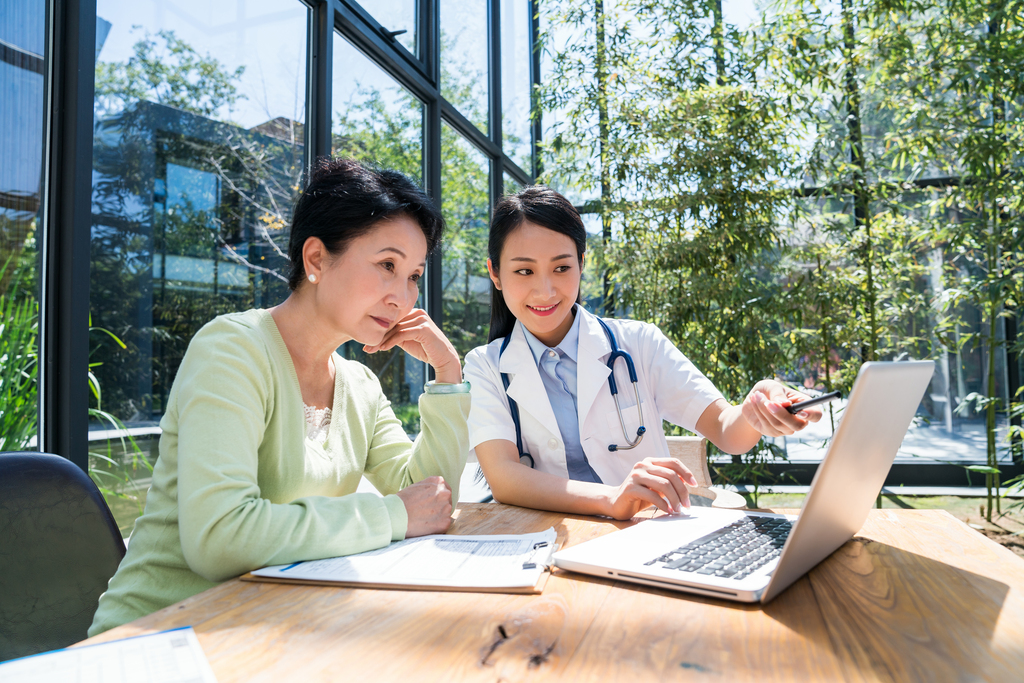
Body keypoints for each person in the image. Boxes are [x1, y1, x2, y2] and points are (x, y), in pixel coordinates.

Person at [89, 159, 469, 635]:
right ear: (315, 260)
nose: (402, 297)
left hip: (276, 628)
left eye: (413, 275)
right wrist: (392, 514)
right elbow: (221, 536)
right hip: (159, 639)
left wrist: (448, 374)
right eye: (387, 265)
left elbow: (430, 497)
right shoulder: (232, 350)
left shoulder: (359, 386)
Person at [464, 186, 822, 520]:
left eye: (561, 268)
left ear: (582, 264)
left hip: (645, 533)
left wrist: (755, 410)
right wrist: (611, 499)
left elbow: (728, 432)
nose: (545, 290)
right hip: (544, 543)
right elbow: (505, 478)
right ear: (495, 273)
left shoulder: (638, 343)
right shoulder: (486, 366)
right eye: (524, 271)